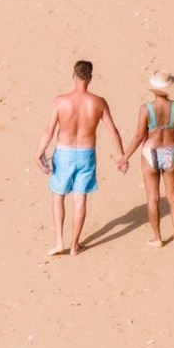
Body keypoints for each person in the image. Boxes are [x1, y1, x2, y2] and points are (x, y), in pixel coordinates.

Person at [38, 59, 115, 256]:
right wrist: (121, 155)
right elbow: (113, 131)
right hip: (86, 154)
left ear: (73, 76)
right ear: (90, 78)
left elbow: (49, 130)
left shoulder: (60, 101)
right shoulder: (98, 102)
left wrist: (39, 153)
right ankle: (74, 245)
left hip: (64, 153)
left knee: (58, 197)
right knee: (80, 200)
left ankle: (59, 242)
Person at [137, 72, 174, 246]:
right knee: (173, 197)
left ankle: (157, 237)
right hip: (171, 150)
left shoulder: (146, 109)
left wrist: (125, 156)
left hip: (151, 152)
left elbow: (139, 135)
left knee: (153, 198)